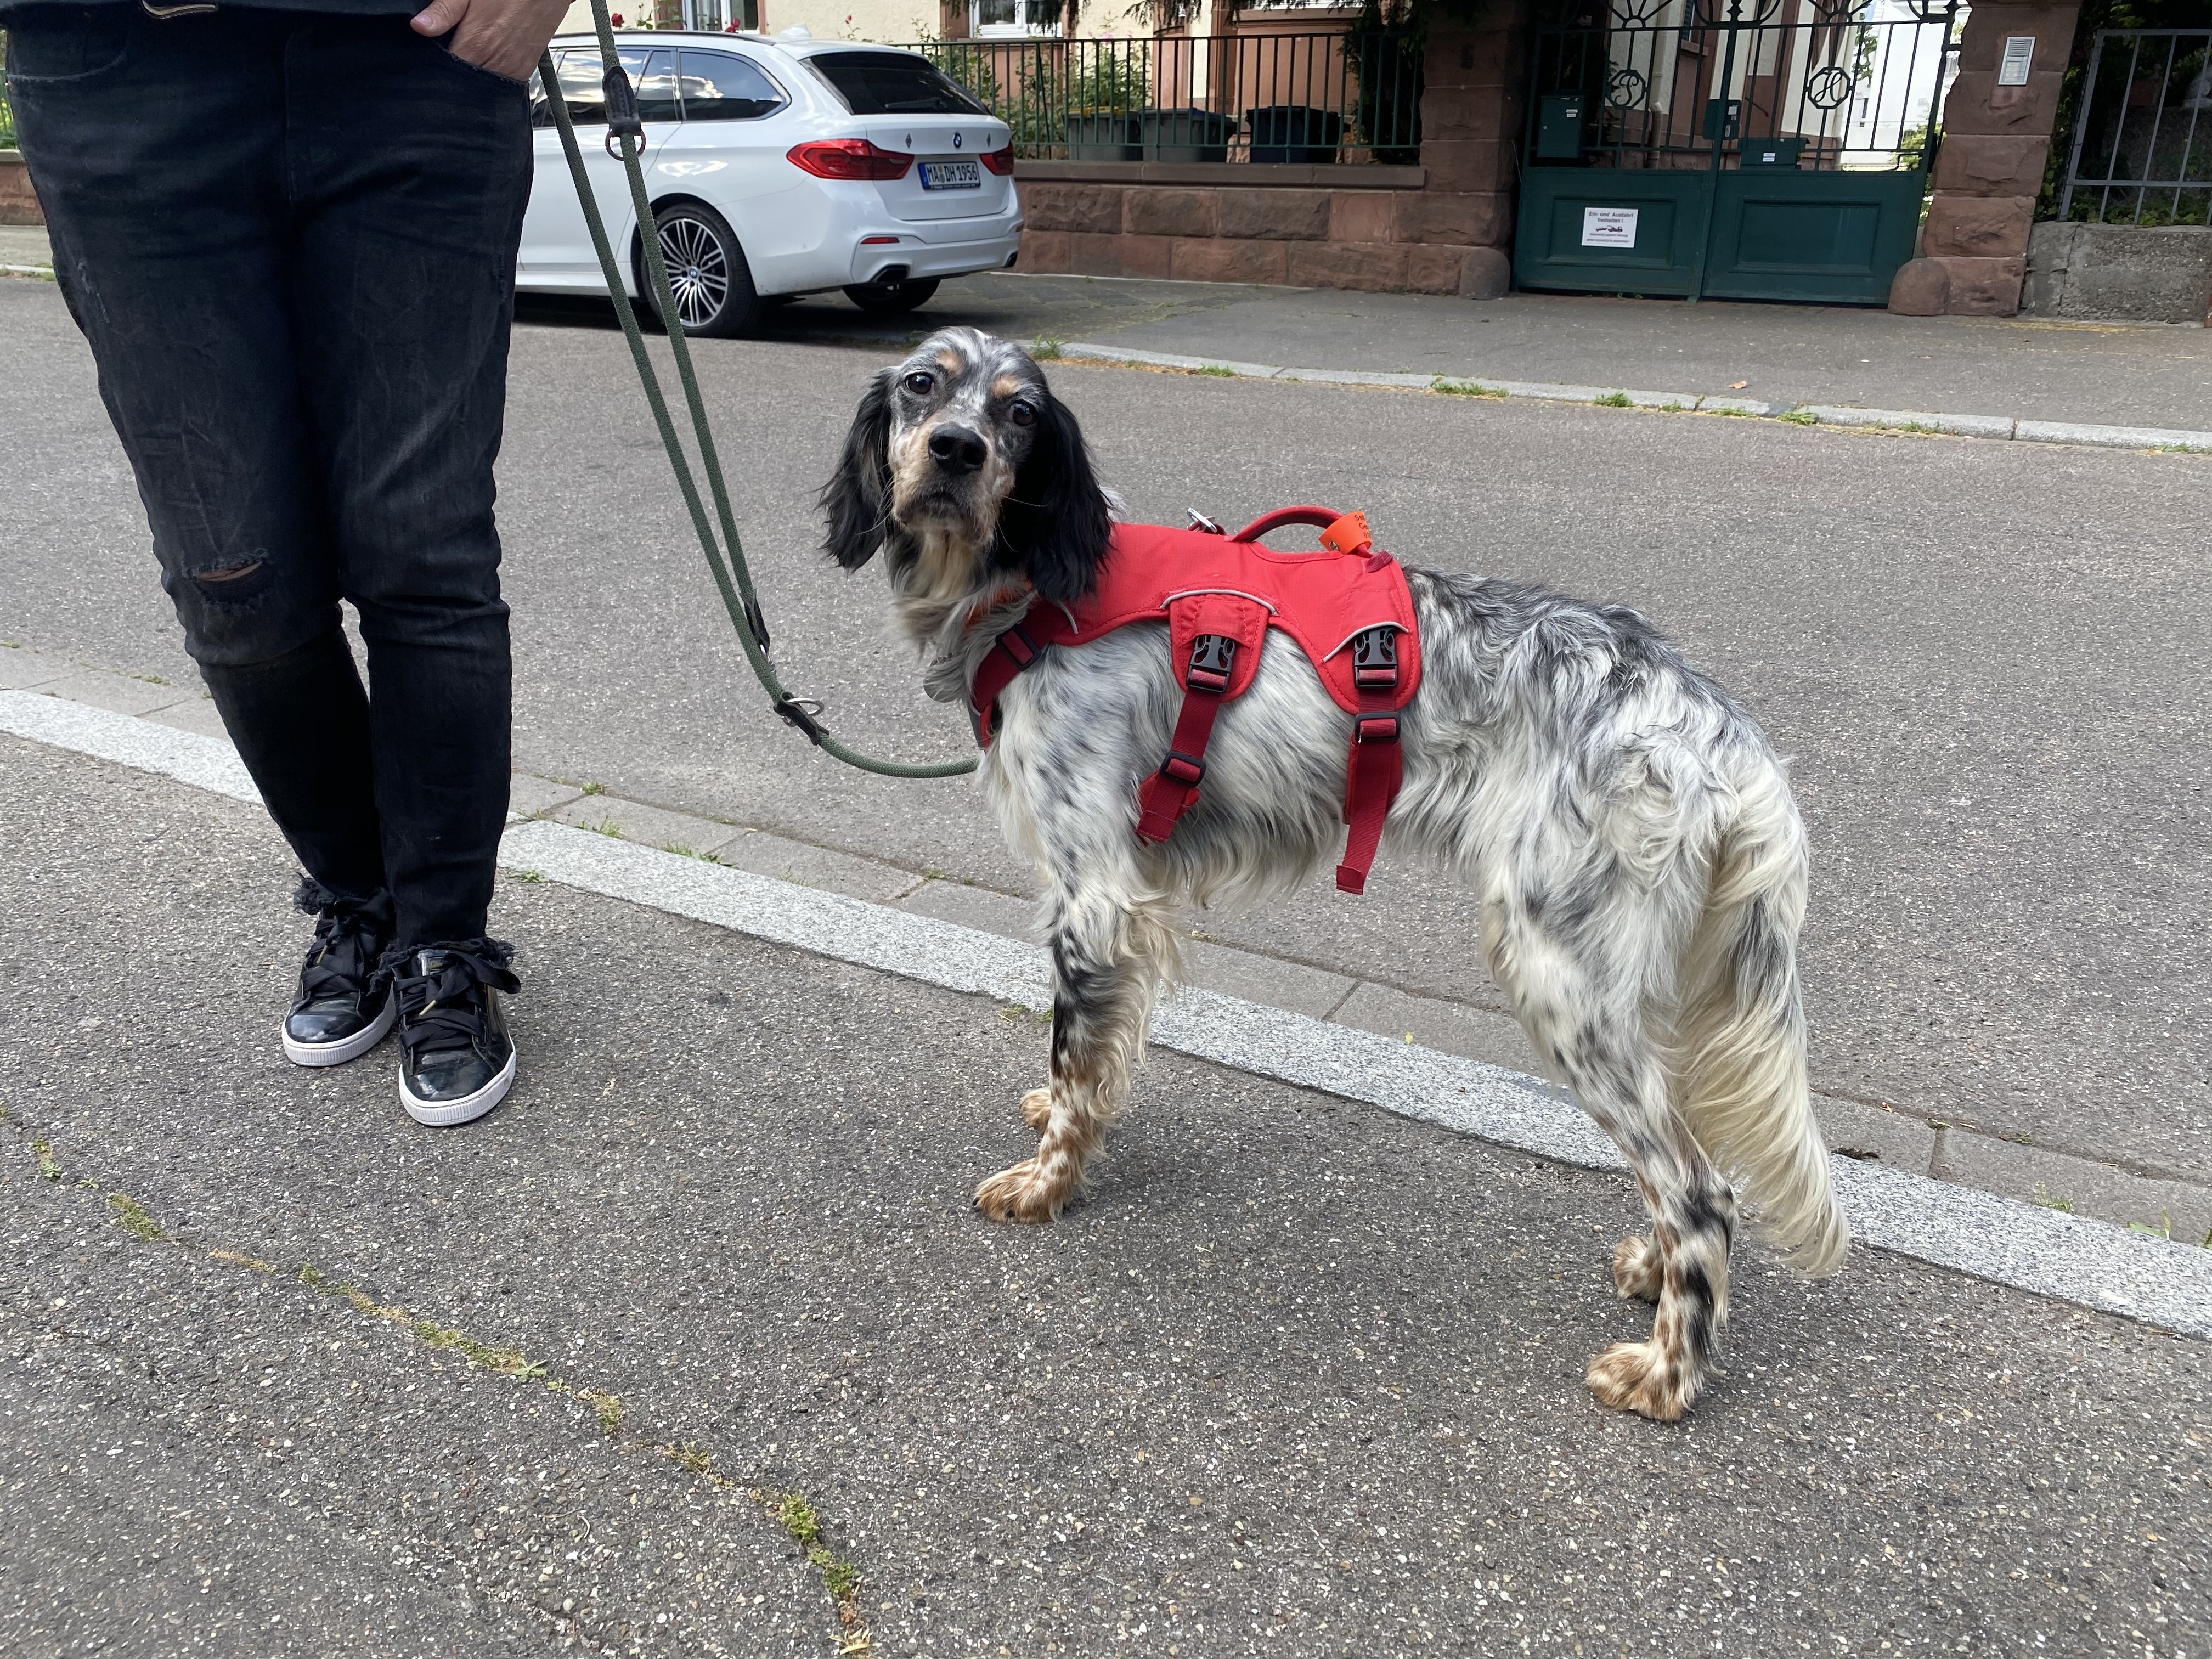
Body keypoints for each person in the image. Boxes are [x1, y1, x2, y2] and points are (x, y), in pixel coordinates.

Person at [5, 0, 572, 1123]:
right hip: (116, 68)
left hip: (415, 56)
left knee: (422, 545)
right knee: (234, 578)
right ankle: (363, 900)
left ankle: (443, 945)